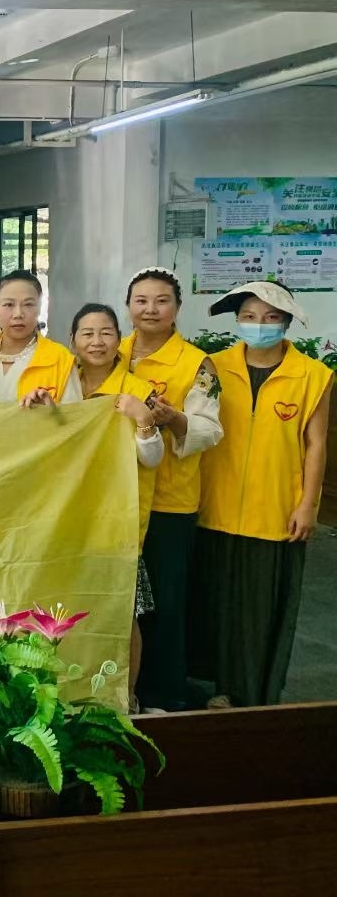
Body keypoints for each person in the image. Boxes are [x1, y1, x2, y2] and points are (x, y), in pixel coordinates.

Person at [193, 281, 331, 709]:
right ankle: (212, 690)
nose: (259, 325)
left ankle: (253, 699)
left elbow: (316, 444)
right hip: (213, 506)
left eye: (271, 317)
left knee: (261, 611)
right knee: (214, 604)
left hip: (275, 511)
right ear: (237, 320)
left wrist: (308, 504)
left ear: (287, 321)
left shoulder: (313, 375)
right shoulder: (213, 367)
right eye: (250, 317)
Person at [119, 267, 223, 713]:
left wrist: (174, 419)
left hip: (168, 500)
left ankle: (164, 694)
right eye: (141, 300)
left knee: (164, 600)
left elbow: (210, 429)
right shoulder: (111, 351)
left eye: (161, 301)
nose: (151, 309)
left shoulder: (197, 364)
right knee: (122, 599)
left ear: (177, 308)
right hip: (117, 498)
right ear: (128, 306)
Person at [70, 302, 165, 700]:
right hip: (67, 518)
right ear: (73, 341)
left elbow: (153, 458)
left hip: (116, 522)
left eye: (106, 332)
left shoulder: (139, 391)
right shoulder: (63, 386)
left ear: (119, 340)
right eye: (88, 333)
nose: (97, 341)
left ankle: (126, 697)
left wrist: (142, 418)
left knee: (123, 612)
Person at [0, 269, 80, 405]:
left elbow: (75, 416)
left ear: (40, 309)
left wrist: (50, 410)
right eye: (9, 304)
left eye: (28, 304)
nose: (18, 314)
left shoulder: (60, 358)